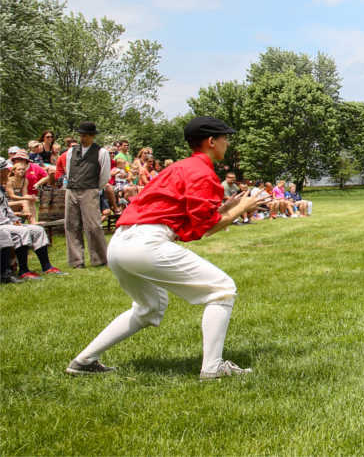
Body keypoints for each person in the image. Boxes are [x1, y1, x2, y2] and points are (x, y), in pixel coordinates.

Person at [65, 116, 271, 380]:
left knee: (149, 307)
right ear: (211, 141)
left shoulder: (181, 168)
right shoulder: (203, 172)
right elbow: (203, 229)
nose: (227, 143)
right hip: (146, 243)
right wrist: (242, 208)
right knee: (222, 289)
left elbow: (187, 220)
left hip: (120, 243)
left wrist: (229, 208)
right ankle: (212, 368)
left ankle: (83, 361)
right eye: (224, 138)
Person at [56, 122, 113, 269]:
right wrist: (70, 185)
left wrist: (95, 189)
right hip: (72, 189)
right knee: (71, 225)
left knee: (93, 226)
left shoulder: (101, 152)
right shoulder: (71, 151)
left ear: (92, 136)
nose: (83, 138)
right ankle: (76, 261)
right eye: (81, 135)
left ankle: (100, 258)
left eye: (86, 135)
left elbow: (105, 175)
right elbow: (68, 170)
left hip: (90, 189)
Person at [0, 158, 65, 281]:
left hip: (7, 223)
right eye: (5, 170)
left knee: (37, 230)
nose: (7, 172)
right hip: (2, 226)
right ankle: (24, 271)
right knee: (22, 232)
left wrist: (15, 219)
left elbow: (6, 209)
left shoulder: (0, 188)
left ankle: (47, 267)